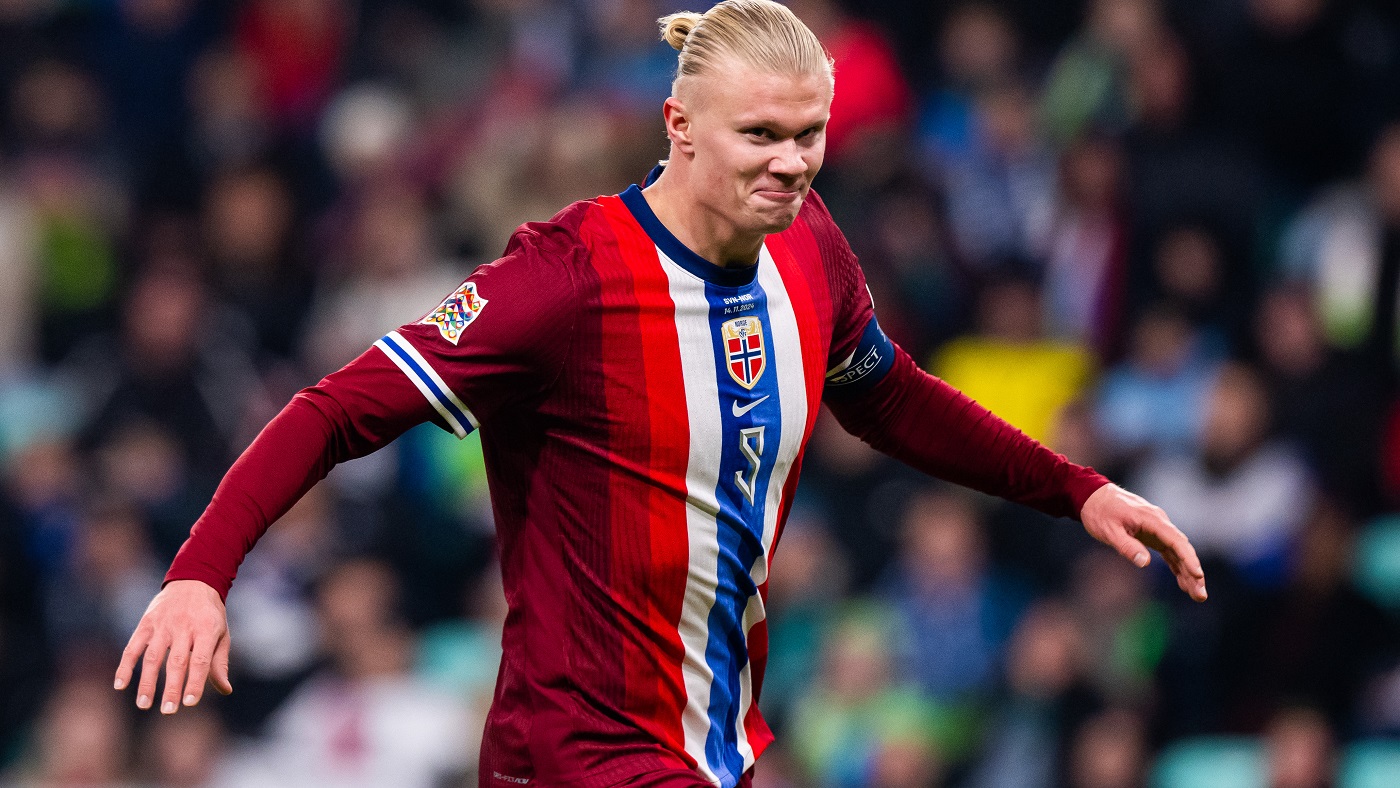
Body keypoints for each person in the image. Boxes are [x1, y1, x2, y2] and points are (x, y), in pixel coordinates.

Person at [113, 2, 1207, 786]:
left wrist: (1077, 490)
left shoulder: (808, 246)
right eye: (760, 136)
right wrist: (202, 573)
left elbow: (888, 397)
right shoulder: (564, 279)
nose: (791, 164)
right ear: (680, 127)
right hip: (574, 754)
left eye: (809, 135)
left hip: (712, 744)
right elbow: (337, 409)